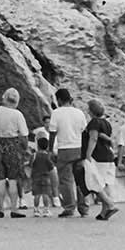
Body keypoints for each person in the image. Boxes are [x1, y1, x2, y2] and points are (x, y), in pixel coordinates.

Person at [0, 88, 29, 218]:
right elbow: (24, 135)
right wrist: (24, 148)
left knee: (0, 180)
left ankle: (1, 209)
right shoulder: (17, 114)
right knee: (13, 180)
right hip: (13, 146)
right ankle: (14, 209)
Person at [47, 88, 88, 218]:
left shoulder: (56, 113)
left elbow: (52, 132)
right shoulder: (79, 113)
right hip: (79, 148)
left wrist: (50, 150)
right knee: (80, 179)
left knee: (66, 180)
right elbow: (84, 132)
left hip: (64, 149)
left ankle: (69, 207)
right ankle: (84, 208)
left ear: (59, 99)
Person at [80, 99, 121, 221]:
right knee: (105, 183)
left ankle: (110, 204)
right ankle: (104, 212)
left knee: (93, 182)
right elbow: (103, 135)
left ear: (91, 111)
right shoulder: (106, 123)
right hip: (108, 156)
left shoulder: (94, 122)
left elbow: (93, 138)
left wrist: (88, 155)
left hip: (98, 156)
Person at [29, 135, 57, 216]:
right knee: (45, 194)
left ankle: (36, 209)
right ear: (47, 146)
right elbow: (51, 166)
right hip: (46, 177)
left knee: (37, 195)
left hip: (35, 177)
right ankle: (46, 210)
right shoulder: (48, 156)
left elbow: (31, 164)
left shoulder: (34, 155)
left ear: (38, 145)